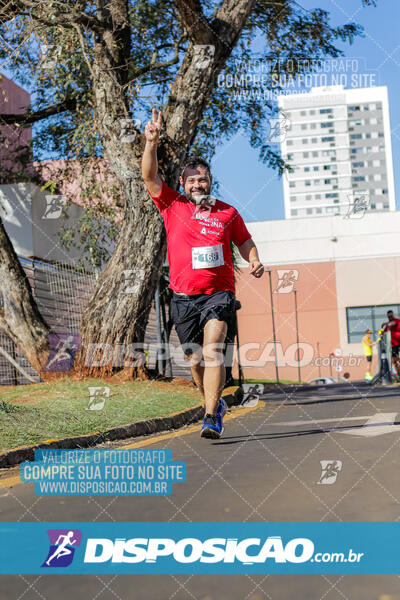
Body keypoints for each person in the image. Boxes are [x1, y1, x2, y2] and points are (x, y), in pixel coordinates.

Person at [141, 109, 264, 439]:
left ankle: (211, 415)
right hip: (183, 296)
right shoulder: (171, 205)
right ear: (182, 183)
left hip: (219, 294)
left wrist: (253, 260)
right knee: (195, 359)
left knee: (213, 349)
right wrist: (150, 143)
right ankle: (213, 402)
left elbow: (244, 241)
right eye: (191, 179)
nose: (198, 183)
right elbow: (150, 177)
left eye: (203, 179)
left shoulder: (227, 212)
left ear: (211, 182)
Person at [382, 310, 400, 377]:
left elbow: (393, 323)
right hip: (392, 345)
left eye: (391, 316)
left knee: (398, 360)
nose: (390, 317)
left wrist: (385, 323)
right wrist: (382, 333)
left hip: (398, 343)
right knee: (394, 361)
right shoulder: (387, 325)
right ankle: (398, 374)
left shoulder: (397, 320)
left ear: (393, 315)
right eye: (389, 316)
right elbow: (384, 332)